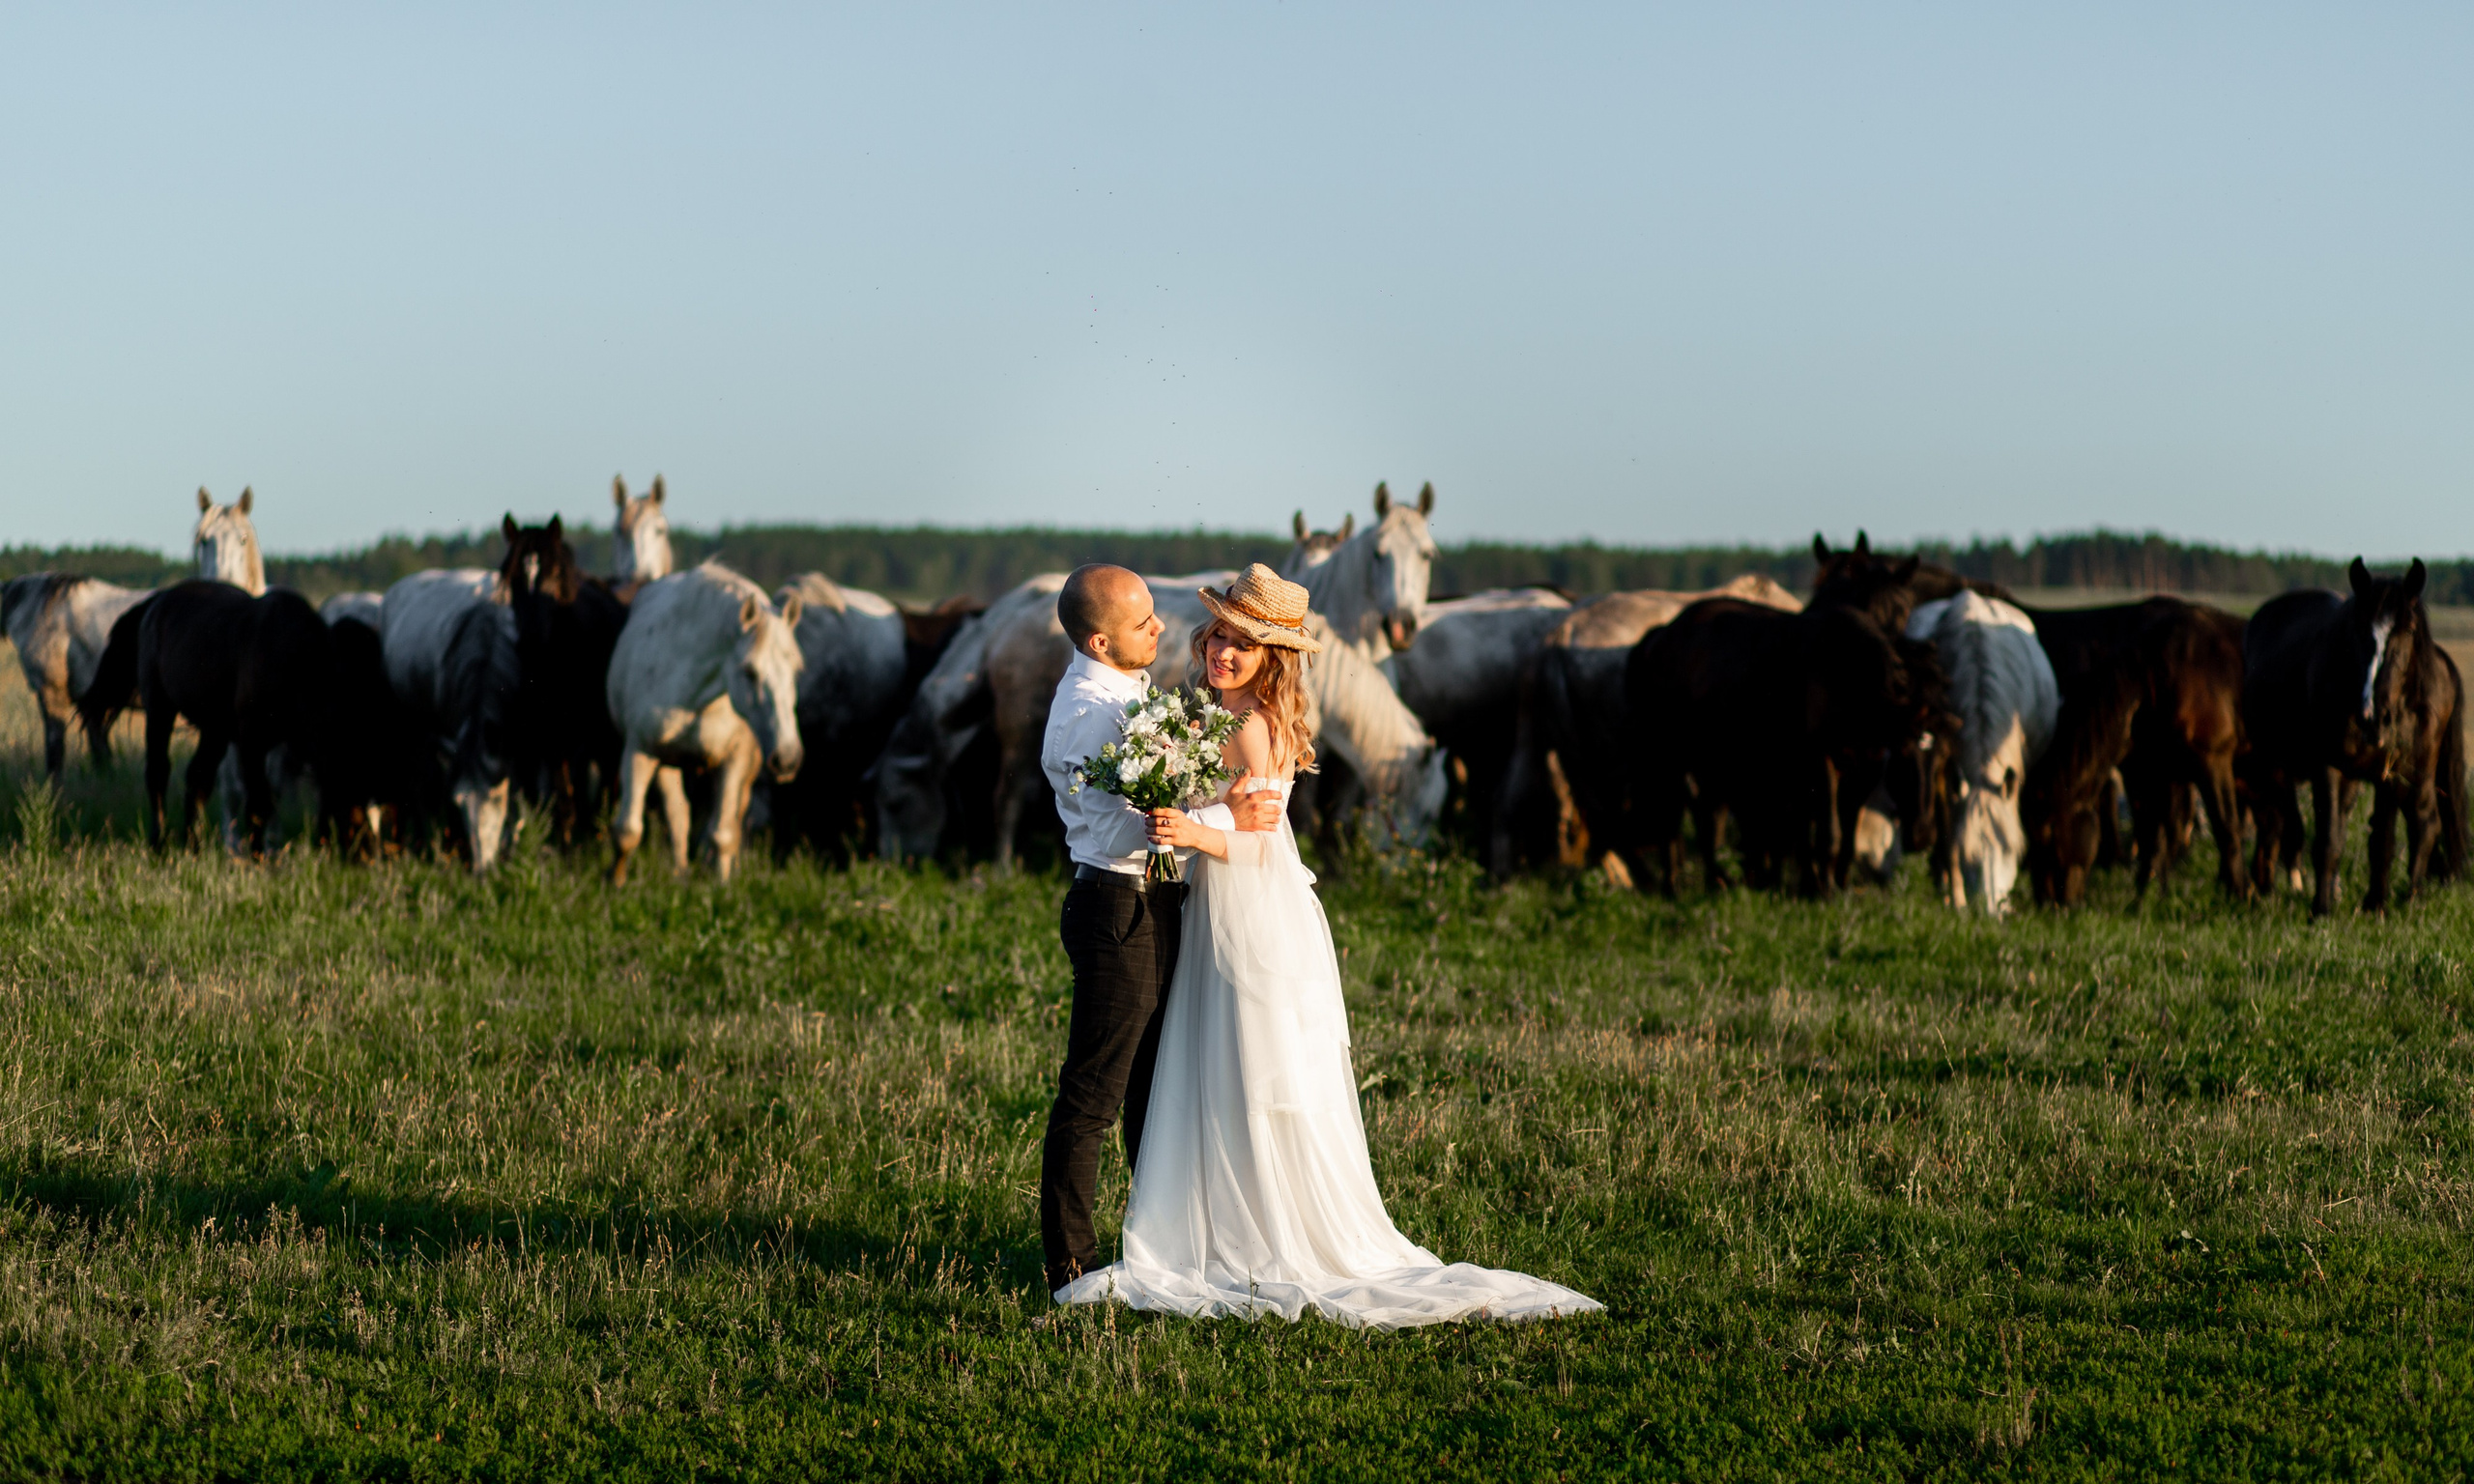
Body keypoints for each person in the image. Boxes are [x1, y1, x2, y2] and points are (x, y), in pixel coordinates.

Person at [1052, 563, 1603, 1328]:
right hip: (1209, 905)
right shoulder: (1210, 712)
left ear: (1273, 655)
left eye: (1245, 645)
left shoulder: (1250, 724)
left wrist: (1191, 828)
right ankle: (1208, 1228)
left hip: (1245, 910)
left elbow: (1259, 846)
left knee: (1244, 1074)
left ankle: (1249, 1236)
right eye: (1220, 635)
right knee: (1209, 1073)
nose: (1224, 652)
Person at [1038, 564, 1287, 1294]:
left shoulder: (1120, 689)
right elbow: (1122, 832)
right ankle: (1071, 1267)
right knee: (1094, 1096)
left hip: (1151, 904)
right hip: (1118, 905)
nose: (1160, 631)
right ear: (1099, 640)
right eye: (1142, 624)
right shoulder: (1091, 712)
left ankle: (1163, 1246)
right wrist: (1223, 820)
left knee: (1153, 1089)